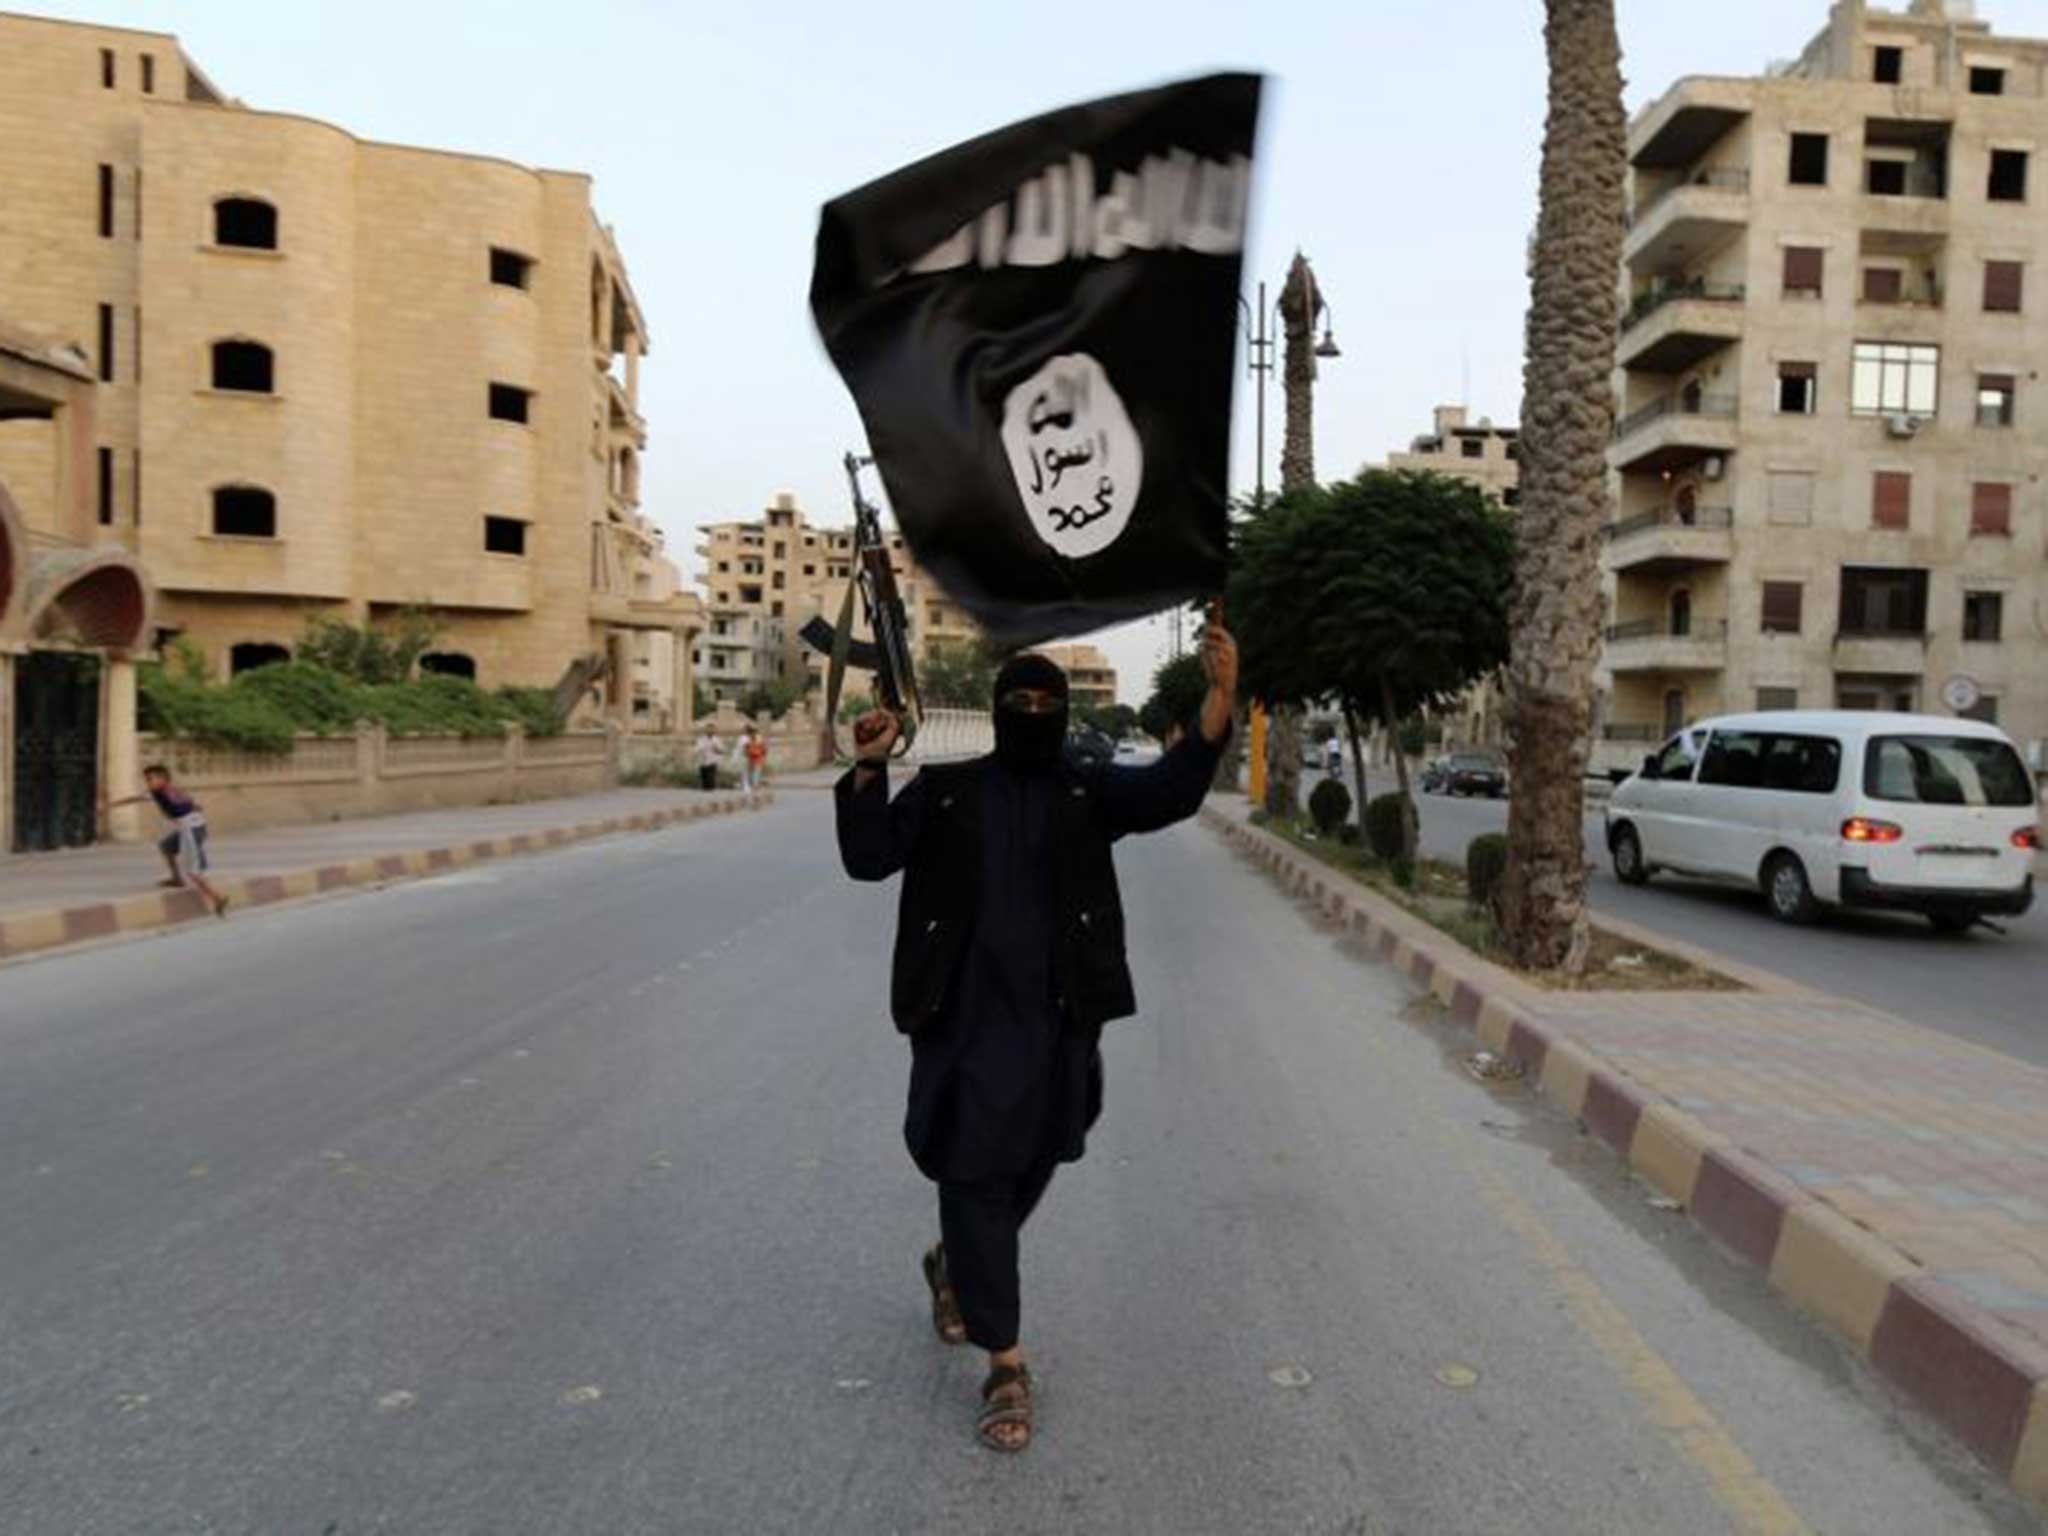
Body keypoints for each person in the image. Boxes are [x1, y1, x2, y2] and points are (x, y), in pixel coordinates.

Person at [835, 611, 1238, 1453]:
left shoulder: (1086, 791)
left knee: (1051, 1142)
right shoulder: (949, 790)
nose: (1029, 710)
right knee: (976, 1169)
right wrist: (870, 766)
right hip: (965, 1025)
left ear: (1058, 713)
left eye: (1041, 700)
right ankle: (1006, 1361)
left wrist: (1219, 697)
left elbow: (1170, 789)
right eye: (1015, 698)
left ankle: (959, 1262)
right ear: (996, 709)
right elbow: (870, 857)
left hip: (1060, 1022)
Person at [106, 763, 230, 917]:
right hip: (191, 826)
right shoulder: (161, 791)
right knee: (167, 846)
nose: (148, 783)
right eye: (146, 779)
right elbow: (136, 799)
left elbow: (180, 803)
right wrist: (112, 805)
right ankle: (176, 879)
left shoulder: (168, 792)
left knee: (193, 872)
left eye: (151, 779)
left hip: (190, 828)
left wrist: (186, 808)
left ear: (163, 779)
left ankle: (218, 898)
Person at [739, 722, 768, 801]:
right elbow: (745, 752)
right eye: (751, 734)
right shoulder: (748, 743)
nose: (753, 735)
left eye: (754, 734)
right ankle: (751, 794)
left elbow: (764, 751)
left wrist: (762, 759)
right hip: (751, 762)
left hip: (758, 762)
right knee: (751, 779)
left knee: (755, 778)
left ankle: (756, 795)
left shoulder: (759, 742)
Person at [693, 726, 723, 792]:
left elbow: (721, 750)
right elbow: (698, 747)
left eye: (712, 731)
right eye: (709, 731)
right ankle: (705, 787)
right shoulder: (702, 739)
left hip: (713, 759)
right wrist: (696, 752)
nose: (710, 732)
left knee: (711, 774)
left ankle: (711, 787)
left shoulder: (716, 739)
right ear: (706, 732)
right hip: (703, 758)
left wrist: (718, 749)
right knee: (704, 773)